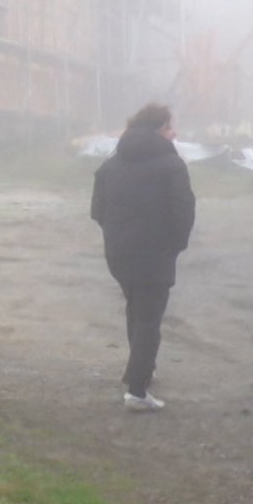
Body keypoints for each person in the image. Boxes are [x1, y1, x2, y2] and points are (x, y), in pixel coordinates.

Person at [89, 102, 197, 413]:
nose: (174, 133)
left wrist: (117, 233)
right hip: (155, 253)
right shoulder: (173, 165)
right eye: (169, 127)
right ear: (157, 129)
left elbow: (97, 210)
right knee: (149, 317)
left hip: (119, 253)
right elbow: (183, 211)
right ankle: (137, 391)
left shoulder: (111, 164)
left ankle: (141, 369)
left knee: (136, 309)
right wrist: (175, 245)